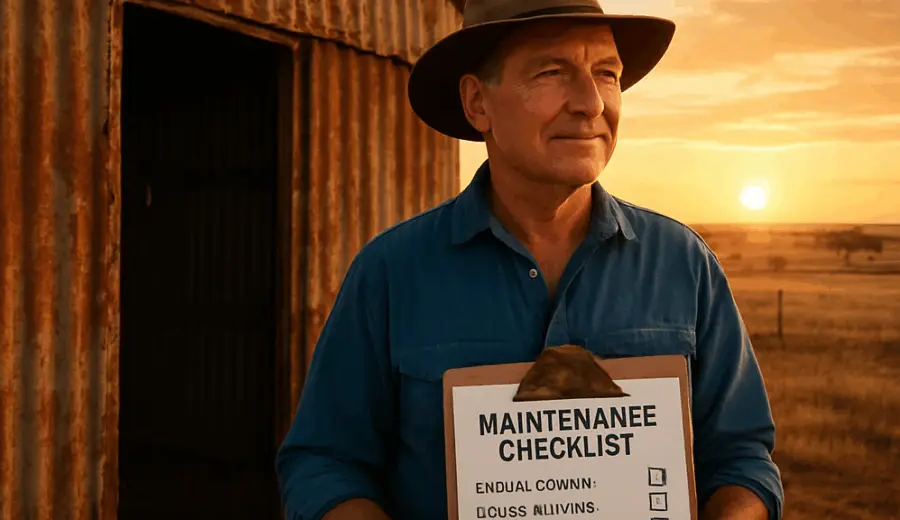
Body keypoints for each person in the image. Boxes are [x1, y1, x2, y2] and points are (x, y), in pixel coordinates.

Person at [275, 0, 784, 519]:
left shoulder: (684, 266)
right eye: (551, 73)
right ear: (478, 103)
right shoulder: (389, 274)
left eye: (606, 74)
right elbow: (325, 464)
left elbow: (741, 460)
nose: (591, 102)